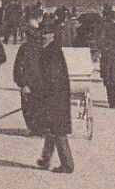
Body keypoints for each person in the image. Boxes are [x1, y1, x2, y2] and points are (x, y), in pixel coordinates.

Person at [16, 22, 74, 172]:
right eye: (41, 33)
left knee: (57, 130)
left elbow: (51, 78)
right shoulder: (50, 49)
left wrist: (37, 91)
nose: (43, 36)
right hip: (55, 95)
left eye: (46, 33)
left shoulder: (51, 52)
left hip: (54, 96)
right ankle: (45, 159)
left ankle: (67, 165)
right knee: (51, 129)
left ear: (52, 35)